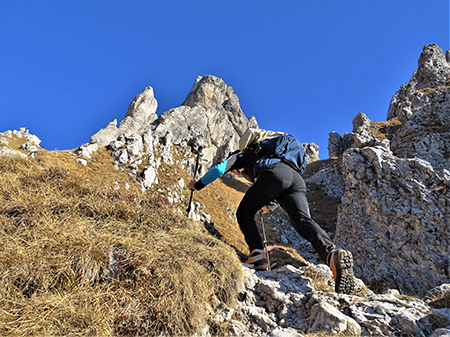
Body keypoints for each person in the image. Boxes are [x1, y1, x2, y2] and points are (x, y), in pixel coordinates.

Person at [188, 134, 356, 295]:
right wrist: (268, 205)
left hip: (274, 174)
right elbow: (277, 185)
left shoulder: (244, 154)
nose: (236, 172)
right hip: (296, 179)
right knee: (303, 220)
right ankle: (332, 254)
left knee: (244, 213)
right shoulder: (267, 155)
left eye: (236, 170)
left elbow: (219, 169)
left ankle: (258, 256)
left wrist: (198, 185)